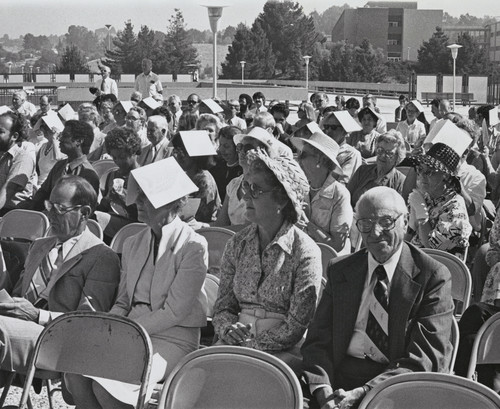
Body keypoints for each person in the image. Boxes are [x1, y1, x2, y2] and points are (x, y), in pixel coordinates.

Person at [64, 159, 208, 408]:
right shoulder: (133, 243)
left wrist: (128, 331)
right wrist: (110, 325)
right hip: (130, 331)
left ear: (170, 201)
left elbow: (174, 312)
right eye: (138, 194)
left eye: (146, 196)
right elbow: (123, 300)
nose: (137, 202)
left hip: (173, 339)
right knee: (75, 374)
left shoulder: (193, 246)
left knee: (106, 388)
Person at [301, 186, 454, 409]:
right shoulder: (341, 270)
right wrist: (322, 391)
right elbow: (317, 341)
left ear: (404, 222)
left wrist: (365, 393)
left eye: (386, 221)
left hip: (396, 384)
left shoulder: (433, 277)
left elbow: (425, 358)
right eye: (365, 223)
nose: (375, 232)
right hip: (337, 378)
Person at [0, 175, 120, 379]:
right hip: (16, 327)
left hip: (58, 340)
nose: (51, 214)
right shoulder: (39, 246)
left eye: (60, 209)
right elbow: (18, 294)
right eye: (49, 205)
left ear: (84, 213)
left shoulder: (101, 257)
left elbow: (89, 321)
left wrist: (38, 315)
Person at [213, 149, 322, 372]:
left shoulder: (305, 252)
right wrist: (227, 329)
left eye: (255, 189)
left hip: (281, 353)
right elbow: (223, 307)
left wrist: (252, 345)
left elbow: (296, 325)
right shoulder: (237, 244)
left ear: (281, 199)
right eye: (246, 186)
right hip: (233, 343)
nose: (245, 196)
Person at [406, 143, 472, 259]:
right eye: (420, 169)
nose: (422, 175)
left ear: (445, 176)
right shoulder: (424, 197)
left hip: (439, 270)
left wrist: (421, 215)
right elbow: (405, 238)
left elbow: (432, 250)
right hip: (412, 261)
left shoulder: (455, 208)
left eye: (429, 172)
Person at [292, 132, 353, 254]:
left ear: (320, 160)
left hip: (326, 261)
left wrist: (307, 224)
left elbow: (337, 245)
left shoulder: (340, 195)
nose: (298, 160)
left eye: (303, 155)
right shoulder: (296, 186)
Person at [21, 120, 99, 211]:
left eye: (65, 136)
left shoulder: (88, 174)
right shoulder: (60, 165)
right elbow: (43, 193)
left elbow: (84, 210)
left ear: (78, 141)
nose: (60, 139)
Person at [95, 127, 141, 243]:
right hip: (111, 226)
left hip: (134, 230)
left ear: (133, 152)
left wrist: (124, 201)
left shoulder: (143, 177)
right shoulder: (112, 175)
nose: (118, 162)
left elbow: (144, 216)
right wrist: (106, 200)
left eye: (122, 157)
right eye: (114, 157)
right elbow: (104, 207)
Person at [171, 131, 221, 227]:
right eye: (176, 151)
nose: (177, 156)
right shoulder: (182, 175)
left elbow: (203, 216)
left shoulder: (204, 181)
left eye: (181, 152)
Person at [348, 130, 407, 206]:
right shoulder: (362, 170)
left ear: (397, 157)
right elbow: (347, 198)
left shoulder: (401, 181)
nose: (382, 155)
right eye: (380, 150)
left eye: (389, 153)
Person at [0, 112, 36, 215]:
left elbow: (9, 189)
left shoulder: (23, 158)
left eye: (0, 132)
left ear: (14, 136)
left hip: (15, 216)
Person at [322, 111, 362, 184]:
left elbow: (344, 182)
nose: (329, 131)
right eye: (326, 127)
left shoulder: (351, 154)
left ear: (344, 131)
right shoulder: (321, 149)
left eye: (334, 127)